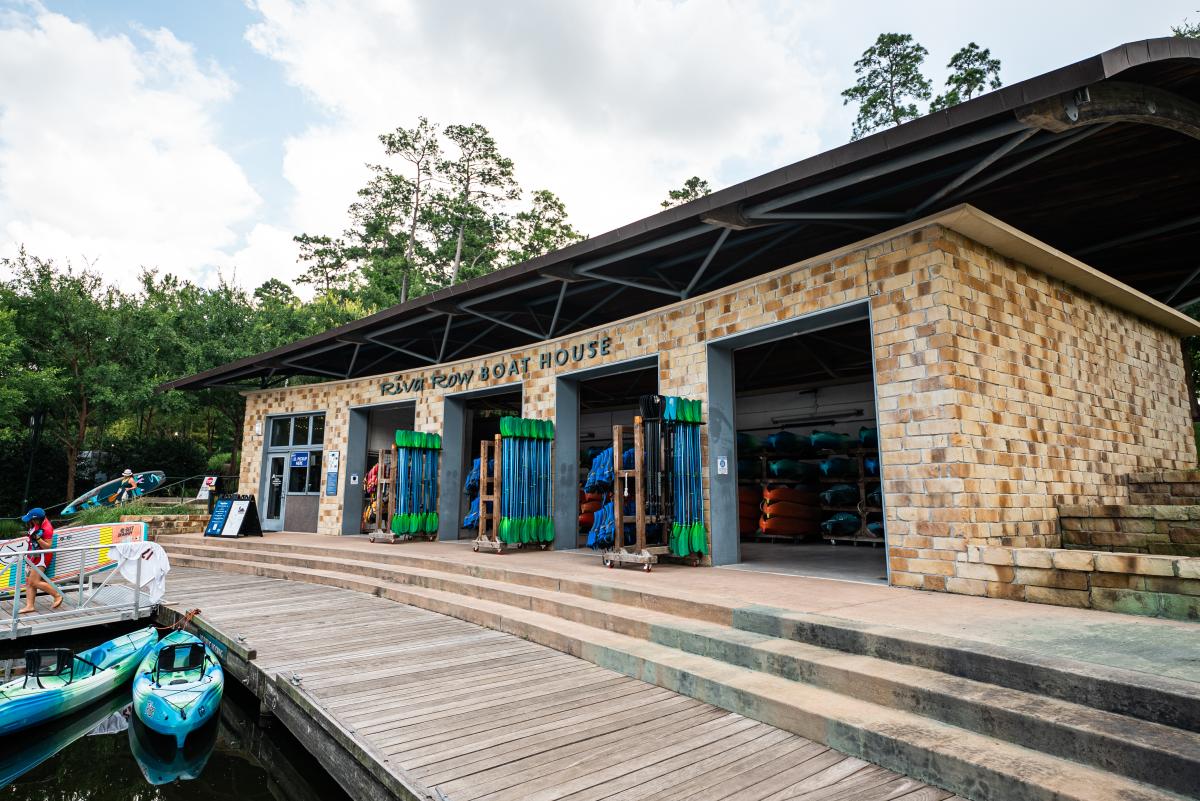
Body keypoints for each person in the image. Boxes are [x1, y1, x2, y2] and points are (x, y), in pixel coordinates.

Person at [19, 508, 63, 614]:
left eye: (32, 519)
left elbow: (48, 546)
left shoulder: (47, 528)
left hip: (41, 557)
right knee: (29, 582)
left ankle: (57, 595)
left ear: (37, 519)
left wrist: (38, 538)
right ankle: (30, 606)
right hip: (32, 555)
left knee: (34, 581)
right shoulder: (36, 523)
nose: (30, 521)